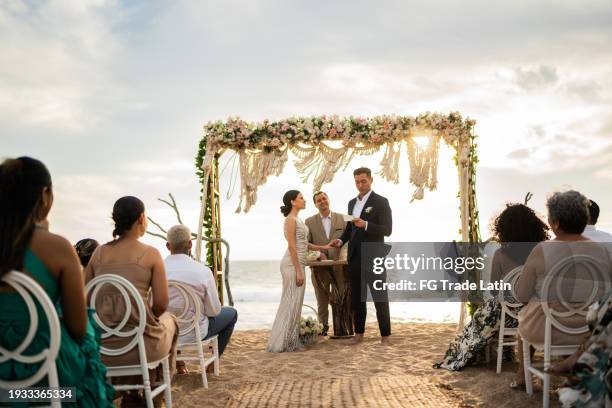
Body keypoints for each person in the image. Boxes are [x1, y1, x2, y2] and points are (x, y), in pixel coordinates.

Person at [0, 157, 115, 407]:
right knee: (83, 372)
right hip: (46, 375)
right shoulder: (57, 247)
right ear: (44, 196)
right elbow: (77, 326)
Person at [84, 196, 178, 404]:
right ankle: (154, 393)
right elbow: (162, 304)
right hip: (140, 349)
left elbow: (85, 298)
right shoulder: (151, 254)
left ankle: (132, 394)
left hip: (104, 348)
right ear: (142, 218)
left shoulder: (98, 253)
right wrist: (144, 318)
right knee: (171, 321)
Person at [514, 190, 612, 389]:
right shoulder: (602, 250)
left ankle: (523, 377)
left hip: (550, 328)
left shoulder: (542, 249)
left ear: (556, 223)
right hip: (590, 329)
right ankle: (573, 370)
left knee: (523, 323)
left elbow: (522, 295)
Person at [435, 203, 549, 371]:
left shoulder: (501, 255)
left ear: (504, 229)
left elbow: (495, 290)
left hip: (508, 315)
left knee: (485, 314)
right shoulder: (542, 253)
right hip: (537, 312)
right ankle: (505, 351)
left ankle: (472, 351)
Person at [330, 167, 393, 345]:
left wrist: (366, 224)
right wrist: (341, 241)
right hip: (355, 256)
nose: (360, 184)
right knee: (357, 297)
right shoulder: (351, 203)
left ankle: (385, 336)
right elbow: (350, 229)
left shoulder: (381, 201)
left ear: (371, 180)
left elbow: (387, 230)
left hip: (374, 256)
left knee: (379, 296)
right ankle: (359, 334)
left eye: (363, 181)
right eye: (357, 181)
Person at [164, 224, 237, 374]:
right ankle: (211, 365)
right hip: (195, 333)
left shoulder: (158, 269)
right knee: (231, 314)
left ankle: (179, 365)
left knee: (174, 314)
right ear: (190, 244)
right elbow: (214, 311)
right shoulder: (202, 271)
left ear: (167, 246)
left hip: (166, 333)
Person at [267, 190, 331, 352]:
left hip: (299, 265)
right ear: (292, 202)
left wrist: (324, 247)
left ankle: (290, 340)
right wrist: (298, 270)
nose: (304, 200)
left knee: (295, 305)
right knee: (289, 304)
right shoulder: (290, 220)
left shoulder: (298, 219)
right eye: (301, 198)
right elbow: (292, 246)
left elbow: (305, 244)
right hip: (291, 265)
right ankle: (282, 343)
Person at [305, 191, 348, 336]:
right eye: (318, 200)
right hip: (319, 268)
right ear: (315, 204)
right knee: (321, 301)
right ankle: (322, 330)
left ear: (328, 200)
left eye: (324, 198)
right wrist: (318, 254)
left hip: (340, 267)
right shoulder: (309, 222)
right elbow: (306, 244)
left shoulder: (343, 218)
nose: (322, 201)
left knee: (343, 298)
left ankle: (344, 328)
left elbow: (349, 239)